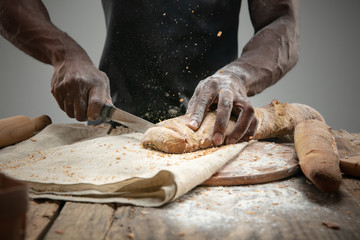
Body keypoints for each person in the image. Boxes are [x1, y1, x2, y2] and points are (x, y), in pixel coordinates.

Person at [0, 0, 299, 146]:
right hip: (113, 125)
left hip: (214, 131)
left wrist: (237, 75)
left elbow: (282, 22)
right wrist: (64, 53)